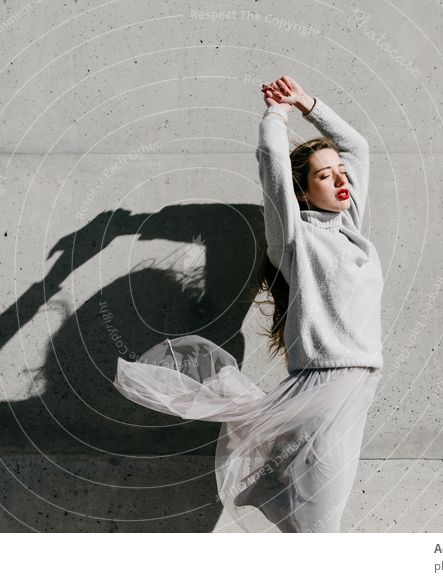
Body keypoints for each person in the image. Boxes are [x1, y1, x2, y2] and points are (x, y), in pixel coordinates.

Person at [112, 75, 385, 533]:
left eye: (341, 173)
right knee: (320, 524)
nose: (342, 180)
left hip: (355, 387)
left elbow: (357, 147)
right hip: (324, 387)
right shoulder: (295, 237)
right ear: (301, 193)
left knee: (314, 520)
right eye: (325, 175)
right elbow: (274, 162)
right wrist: (276, 113)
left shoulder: (351, 225)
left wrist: (306, 103)